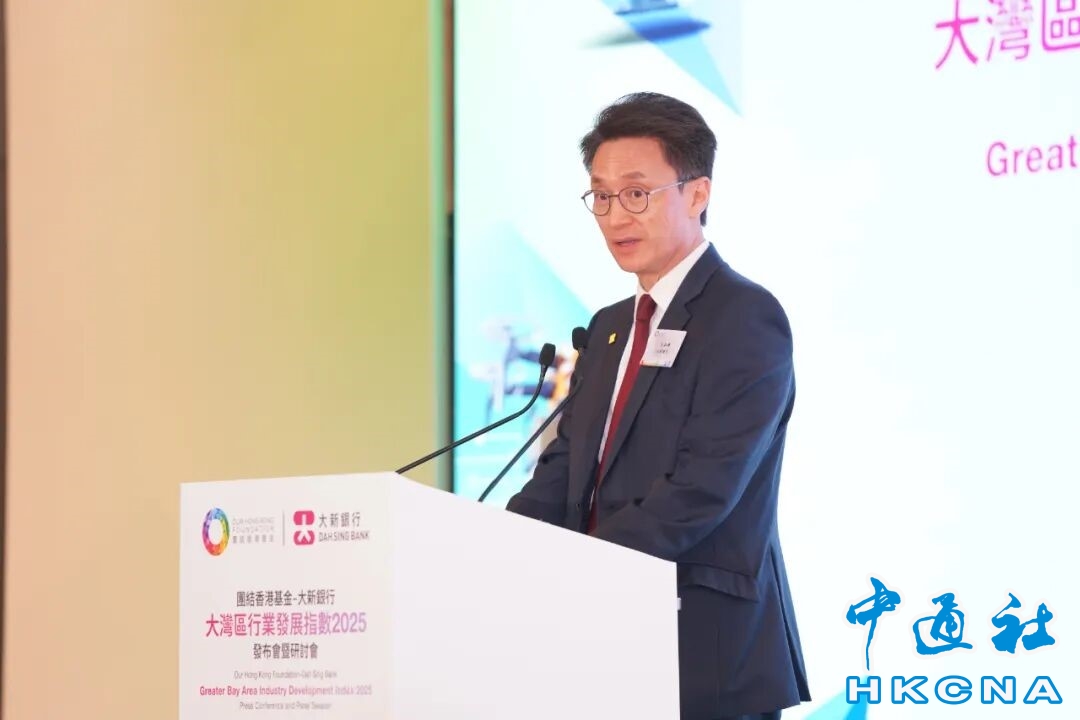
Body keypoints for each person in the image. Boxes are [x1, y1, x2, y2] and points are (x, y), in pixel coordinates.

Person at [505, 92, 812, 720]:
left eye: (637, 193)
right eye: (601, 196)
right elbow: (564, 469)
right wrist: (497, 549)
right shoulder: (610, 327)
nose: (615, 215)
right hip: (599, 651)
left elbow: (703, 489)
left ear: (697, 194)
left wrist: (577, 569)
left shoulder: (744, 317)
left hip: (704, 656)